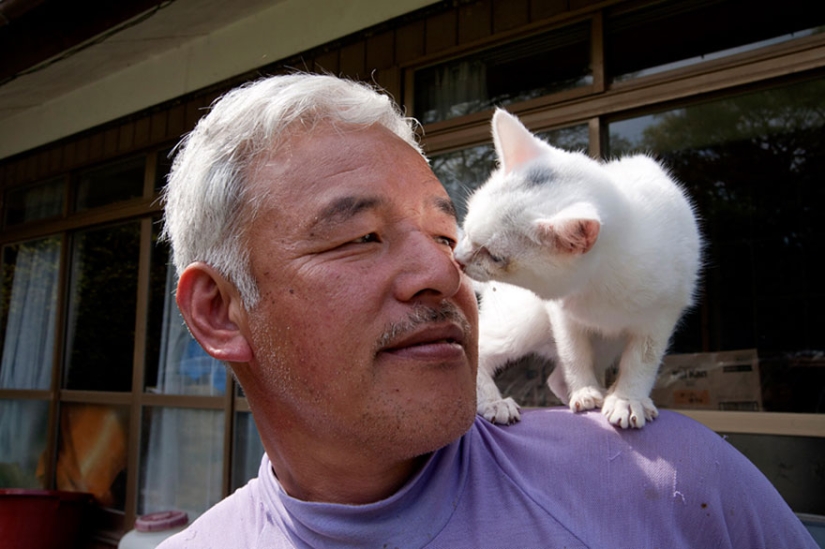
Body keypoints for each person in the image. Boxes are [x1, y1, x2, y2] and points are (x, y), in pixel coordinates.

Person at [158, 73, 817, 549]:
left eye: (444, 237)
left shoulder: (674, 481)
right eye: (360, 236)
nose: (447, 273)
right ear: (219, 313)